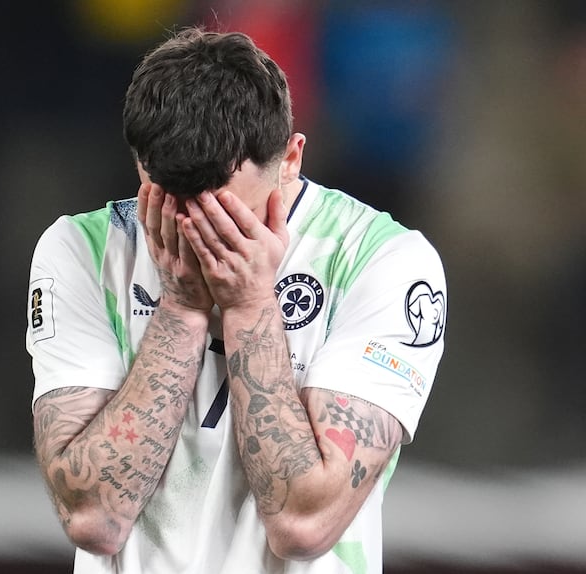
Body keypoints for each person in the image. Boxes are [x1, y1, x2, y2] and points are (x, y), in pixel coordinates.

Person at [27, 26, 446, 574]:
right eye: (178, 210)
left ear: (291, 159)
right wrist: (180, 308)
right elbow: (93, 518)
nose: (202, 237)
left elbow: (303, 522)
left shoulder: (384, 260)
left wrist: (249, 304)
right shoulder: (81, 250)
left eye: (228, 215)